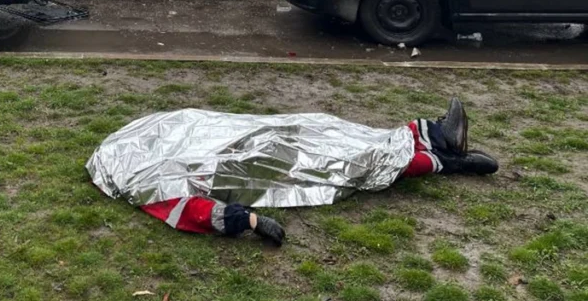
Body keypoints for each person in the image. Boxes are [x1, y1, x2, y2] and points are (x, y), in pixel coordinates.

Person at [86, 98, 497, 246]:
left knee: (318, 129)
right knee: (329, 164)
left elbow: (190, 123)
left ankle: (426, 137)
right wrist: (250, 221)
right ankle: (441, 155)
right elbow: (194, 212)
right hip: (246, 166)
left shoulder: (132, 150)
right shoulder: (147, 185)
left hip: (232, 139)